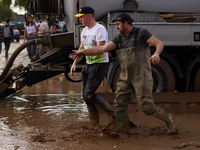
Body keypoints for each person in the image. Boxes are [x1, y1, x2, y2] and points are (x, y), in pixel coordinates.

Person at [71, 13, 178, 134]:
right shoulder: (119, 38)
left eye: (118, 24)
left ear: (125, 23)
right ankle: (123, 130)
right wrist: (84, 52)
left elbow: (159, 44)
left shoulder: (141, 33)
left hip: (141, 76)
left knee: (146, 107)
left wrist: (156, 54)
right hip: (125, 76)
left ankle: (168, 119)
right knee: (119, 103)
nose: (116, 27)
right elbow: (101, 49)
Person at [70, 6, 115, 126]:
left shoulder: (100, 29)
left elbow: (100, 49)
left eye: (81, 17)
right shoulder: (84, 30)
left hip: (99, 65)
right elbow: (82, 47)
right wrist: (74, 63)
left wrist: (83, 52)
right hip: (88, 65)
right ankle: (94, 126)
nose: (80, 20)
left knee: (88, 94)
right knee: (86, 98)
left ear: (88, 16)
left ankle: (113, 114)